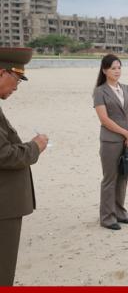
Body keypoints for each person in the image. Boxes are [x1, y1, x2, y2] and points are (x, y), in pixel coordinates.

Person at [0, 47, 49, 286]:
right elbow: (5, 155)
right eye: (16, 79)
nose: (17, 87)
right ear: (1, 73)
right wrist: (35, 147)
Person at [93, 54, 128, 231]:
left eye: (119, 67)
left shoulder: (126, 88)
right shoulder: (100, 91)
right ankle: (107, 217)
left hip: (127, 140)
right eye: (113, 68)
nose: (117, 71)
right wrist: (125, 132)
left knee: (123, 177)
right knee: (110, 179)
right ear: (105, 70)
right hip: (110, 141)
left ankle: (120, 212)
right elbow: (104, 119)